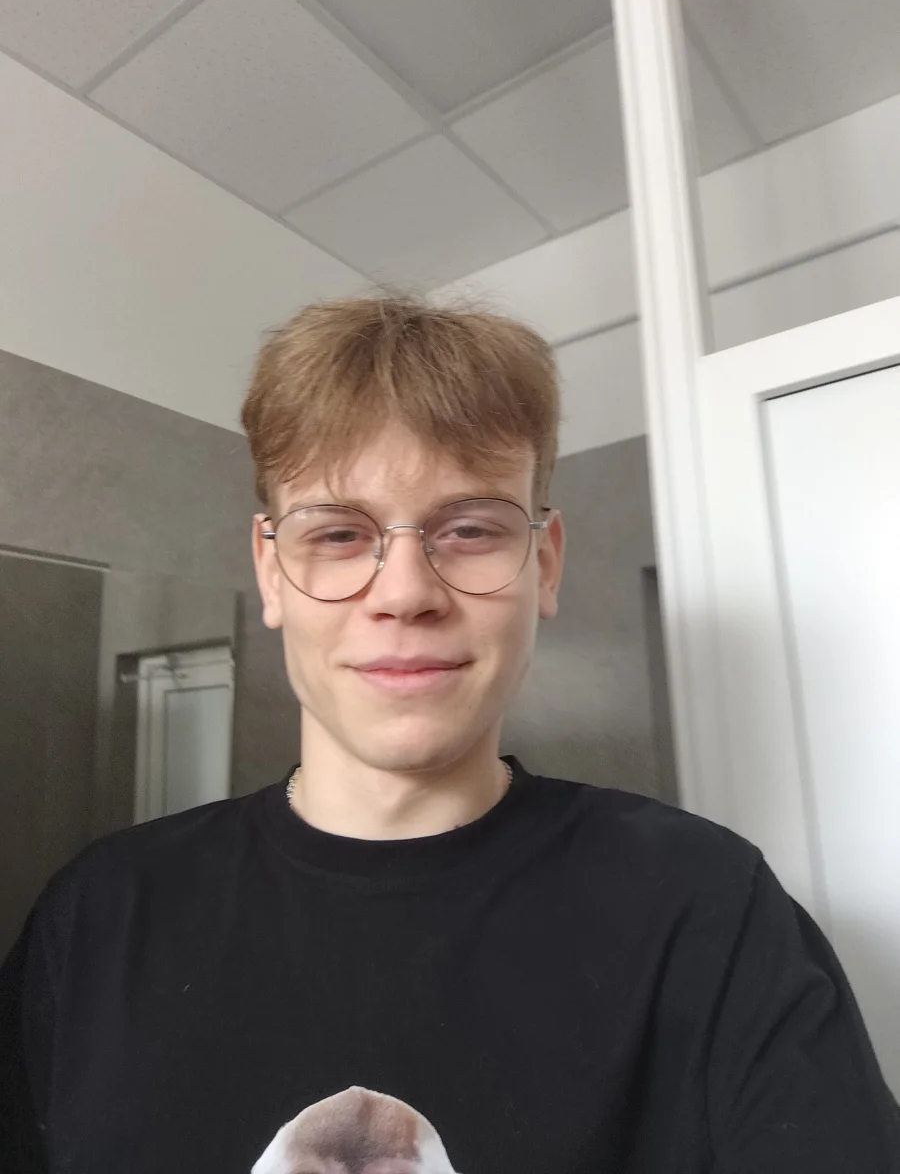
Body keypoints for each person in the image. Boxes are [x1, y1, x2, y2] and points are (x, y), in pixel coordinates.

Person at [1, 295, 898, 1174]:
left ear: (544, 563)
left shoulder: (708, 907)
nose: (404, 592)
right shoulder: (96, 918)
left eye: (469, 529)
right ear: (271, 572)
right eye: (339, 533)